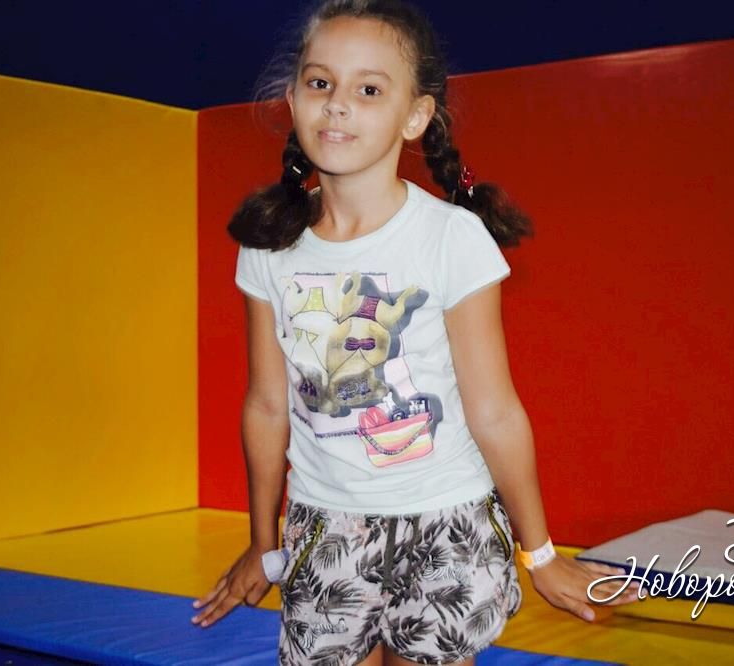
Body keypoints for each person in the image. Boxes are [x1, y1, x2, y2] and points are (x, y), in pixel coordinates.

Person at [192, 1, 639, 663]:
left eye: (369, 90)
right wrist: (264, 543)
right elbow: (265, 403)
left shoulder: (450, 237)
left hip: (446, 525)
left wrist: (540, 553)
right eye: (320, 83)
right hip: (324, 528)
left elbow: (494, 410)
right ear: (292, 100)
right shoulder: (270, 243)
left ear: (415, 116)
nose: (337, 104)